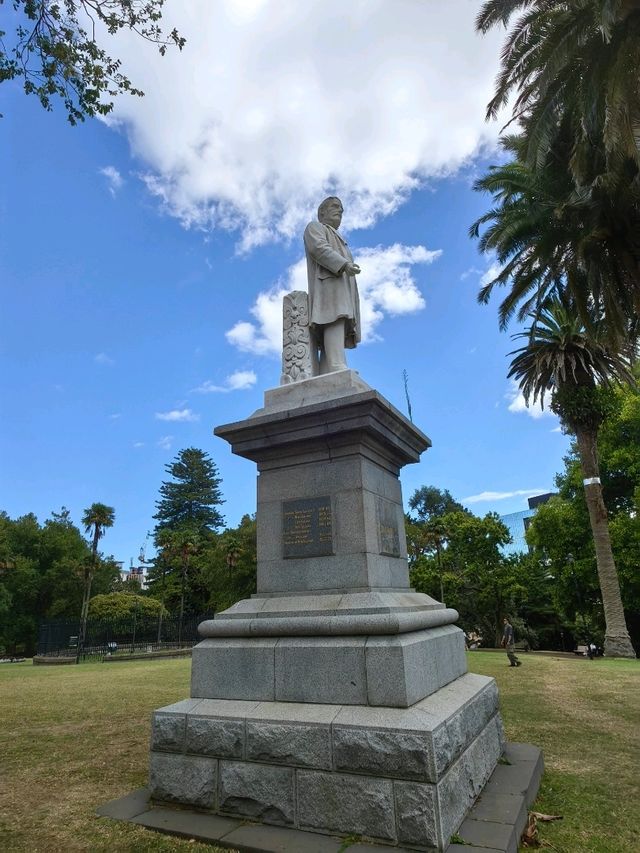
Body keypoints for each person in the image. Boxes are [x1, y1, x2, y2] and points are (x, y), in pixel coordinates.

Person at [303, 197, 362, 374]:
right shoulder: (315, 227)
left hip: (341, 286)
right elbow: (318, 248)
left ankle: (327, 369)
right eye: (335, 206)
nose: (340, 211)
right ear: (322, 212)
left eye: (342, 209)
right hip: (327, 284)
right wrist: (343, 264)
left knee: (339, 320)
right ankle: (336, 365)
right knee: (334, 317)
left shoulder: (340, 238)